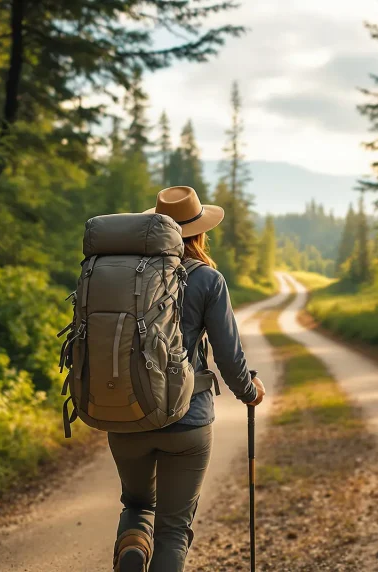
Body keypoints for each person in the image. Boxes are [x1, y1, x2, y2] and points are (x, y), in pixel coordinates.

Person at [108, 186, 266, 572]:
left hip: (126, 414)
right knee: (174, 530)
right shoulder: (207, 279)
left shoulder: (122, 275)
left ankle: (132, 545)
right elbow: (229, 356)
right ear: (199, 232)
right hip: (187, 420)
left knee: (138, 504)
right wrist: (249, 392)